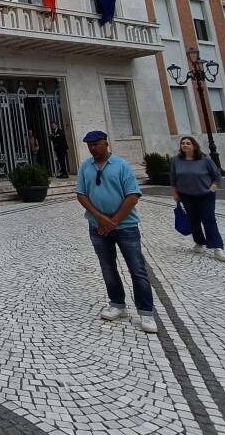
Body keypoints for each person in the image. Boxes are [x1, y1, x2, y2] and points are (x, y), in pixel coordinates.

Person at [75, 130, 157, 334]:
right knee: (108, 267)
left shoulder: (121, 165)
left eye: (96, 144)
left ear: (106, 143)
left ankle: (146, 312)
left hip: (126, 226)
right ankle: (117, 304)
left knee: (137, 268)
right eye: (90, 145)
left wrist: (114, 221)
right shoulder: (85, 167)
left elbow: (132, 195)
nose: (93, 148)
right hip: (98, 227)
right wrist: (101, 219)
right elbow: (81, 195)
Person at [171, 136, 225, 262]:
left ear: (194, 146)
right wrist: (175, 192)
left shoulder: (205, 160)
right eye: (183, 143)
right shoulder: (176, 160)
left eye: (188, 143)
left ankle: (217, 248)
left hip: (205, 195)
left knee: (209, 219)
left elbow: (217, 174)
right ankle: (199, 242)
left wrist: (213, 187)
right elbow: (173, 178)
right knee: (193, 220)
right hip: (186, 195)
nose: (185, 145)